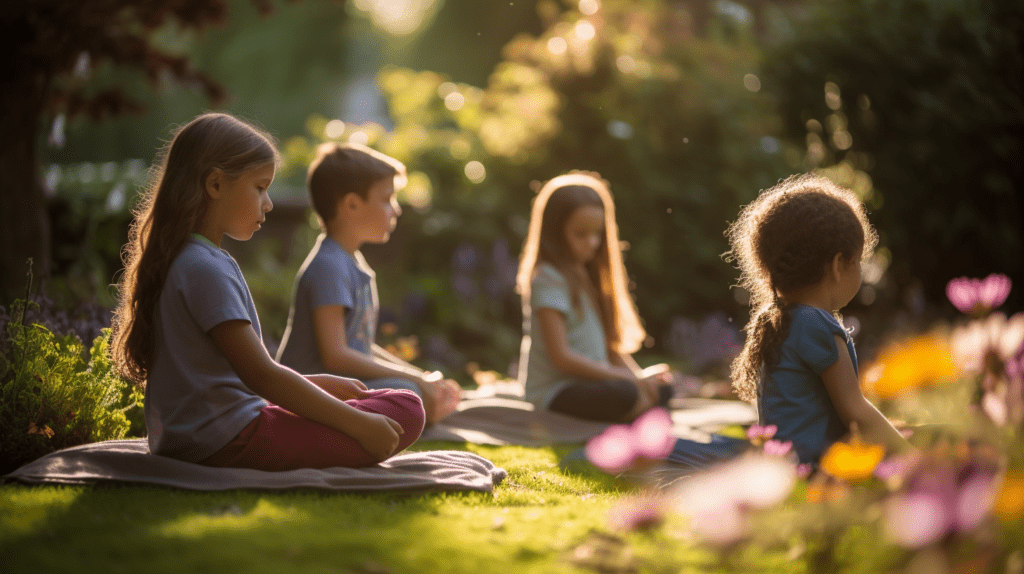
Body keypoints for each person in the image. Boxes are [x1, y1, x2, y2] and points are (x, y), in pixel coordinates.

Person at [109, 113, 424, 471]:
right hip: (228, 440)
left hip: (205, 435)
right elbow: (261, 375)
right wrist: (359, 424)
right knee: (406, 407)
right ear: (214, 184)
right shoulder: (204, 267)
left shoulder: (188, 260)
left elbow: (238, 375)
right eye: (259, 187)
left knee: (379, 397)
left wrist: (316, 384)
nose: (269, 203)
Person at [724, 173, 911, 464]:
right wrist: (913, 457)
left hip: (784, 469)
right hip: (818, 471)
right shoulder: (816, 324)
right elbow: (855, 410)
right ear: (838, 265)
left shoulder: (778, 321)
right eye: (857, 261)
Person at [275, 142, 461, 425]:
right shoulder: (329, 266)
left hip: (343, 388)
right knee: (409, 394)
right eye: (387, 199)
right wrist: (415, 382)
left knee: (413, 391)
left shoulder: (351, 262)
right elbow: (336, 356)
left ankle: (422, 412)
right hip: (309, 395)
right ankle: (420, 414)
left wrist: (421, 377)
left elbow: (360, 346)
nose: (395, 210)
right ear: (351, 205)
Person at [516, 172, 675, 422]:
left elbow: (611, 350)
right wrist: (627, 380)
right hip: (557, 391)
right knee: (625, 393)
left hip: (596, 382)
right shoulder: (548, 277)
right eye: (580, 234)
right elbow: (562, 357)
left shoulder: (590, 276)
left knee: (662, 386)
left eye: (597, 234)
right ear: (555, 232)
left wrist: (639, 378)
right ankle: (638, 410)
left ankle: (640, 407)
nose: (591, 242)